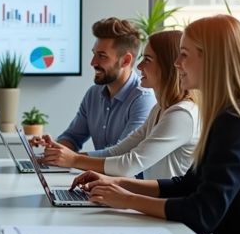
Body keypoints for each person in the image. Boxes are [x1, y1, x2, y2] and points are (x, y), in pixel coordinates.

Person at [72, 15, 240, 234]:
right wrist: (118, 184)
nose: (176, 63)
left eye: (184, 55)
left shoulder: (236, 122)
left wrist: (127, 199)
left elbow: (202, 213)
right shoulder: (225, 115)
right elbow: (187, 185)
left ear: (212, 59)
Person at [42, 30, 199, 179]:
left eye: (147, 60)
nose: (139, 66)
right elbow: (117, 152)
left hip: (169, 205)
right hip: (156, 202)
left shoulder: (180, 115)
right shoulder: (160, 109)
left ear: (168, 66)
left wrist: (74, 160)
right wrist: (63, 156)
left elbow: (130, 164)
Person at [33, 17, 156, 162]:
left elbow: (121, 155)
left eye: (102, 56)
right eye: (94, 54)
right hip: (99, 179)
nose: (93, 63)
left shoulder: (143, 99)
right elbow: (72, 137)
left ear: (126, 60)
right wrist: (53, 150)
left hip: (127, 183)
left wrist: (72, 158)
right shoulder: (94, 94)